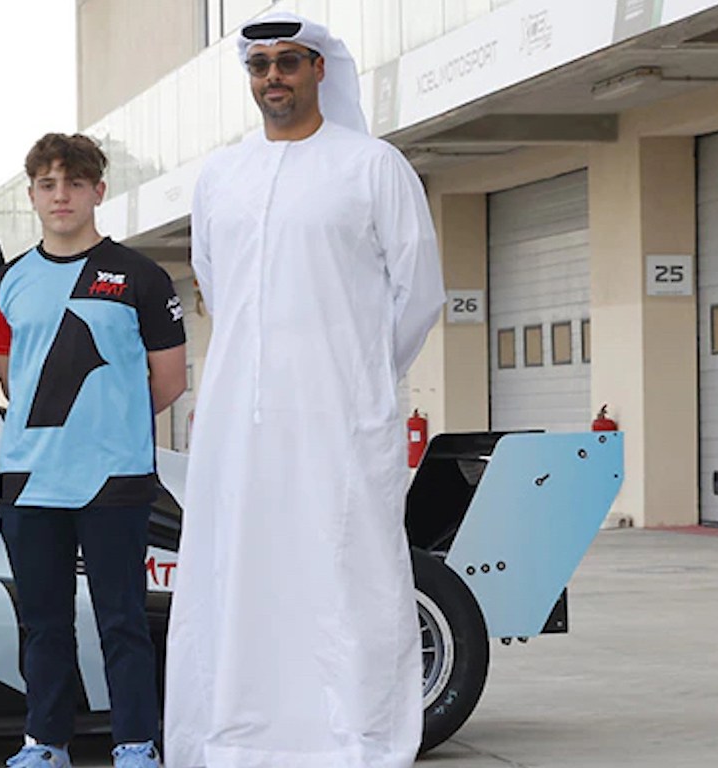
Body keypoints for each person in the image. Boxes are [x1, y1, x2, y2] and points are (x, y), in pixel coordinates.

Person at [163, 11, 447, 768]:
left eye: (288, 62)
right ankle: (239, 733)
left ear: (320, 68)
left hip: (340, 416)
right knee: (240, 570)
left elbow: (418, 293)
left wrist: (354, 377)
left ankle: (353, 735)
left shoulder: (372, 165)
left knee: (344, 571)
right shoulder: (222, 174)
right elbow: (218, 290)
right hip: (239, 422)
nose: (273, 79)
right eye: (259, 66)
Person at [0, 133, 185, 768]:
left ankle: (135, 742)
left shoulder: (141, 277)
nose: (61, 195)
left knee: (121, 621)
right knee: (43, 624)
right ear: (32, 196)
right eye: (48, 184)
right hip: (31, 478)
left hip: (113, 480)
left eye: (74, 183)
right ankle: (45, 743)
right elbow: (13, 374)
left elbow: (169, 379)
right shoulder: (8, 280)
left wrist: (109, 425)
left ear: (99, 191)